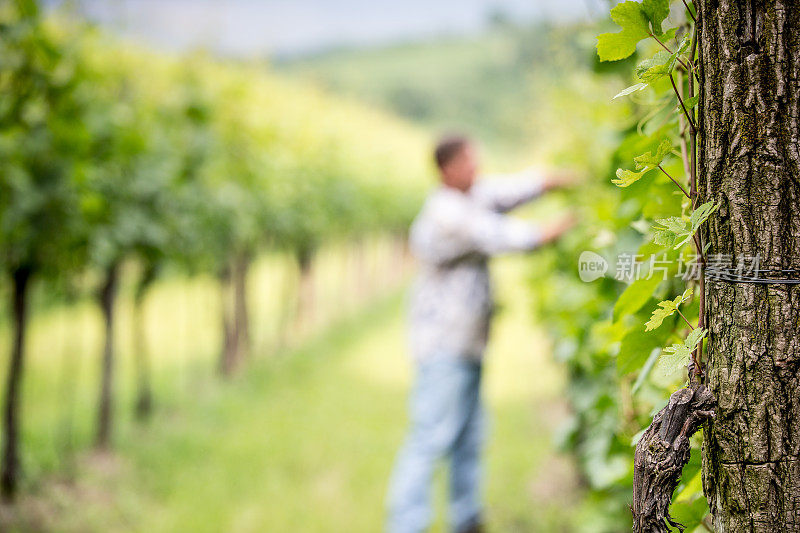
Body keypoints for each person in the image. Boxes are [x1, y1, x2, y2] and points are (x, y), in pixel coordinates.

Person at [385, 135, 576, 533]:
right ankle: (405, 524)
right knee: (432, 436)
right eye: (470, 162)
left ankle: (466, 518)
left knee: (469, 435)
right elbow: (498, 234)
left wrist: (553, 181)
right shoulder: (446, 213)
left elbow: (507, 191)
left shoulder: (470, 195)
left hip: (467, 342)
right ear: (446, 170)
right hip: (443, 345)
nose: (478, 168)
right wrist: (551, 230)